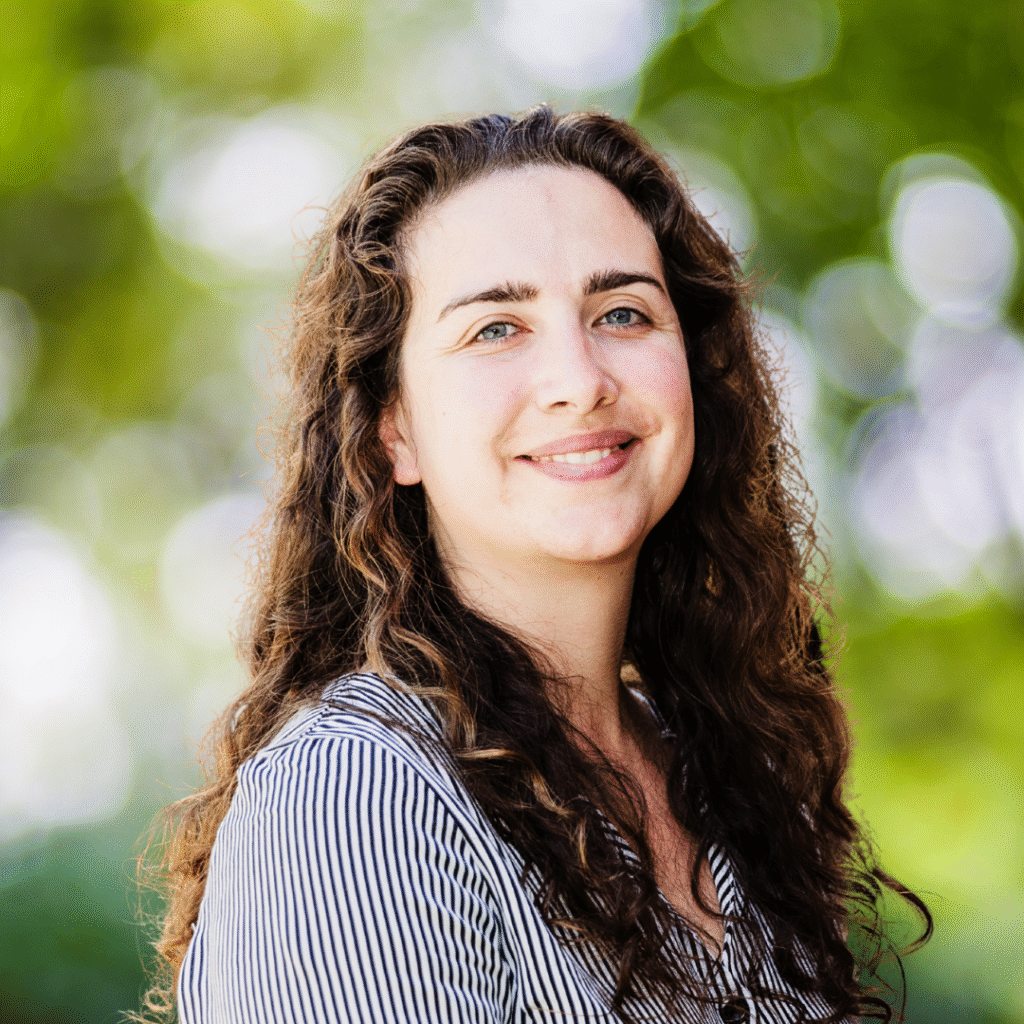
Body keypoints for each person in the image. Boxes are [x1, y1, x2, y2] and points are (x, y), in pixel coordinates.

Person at [142, 107, 929, 1023]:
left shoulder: (722, 781)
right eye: (495, 329)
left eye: (622, 312)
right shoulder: (359, 795)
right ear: (394, 427)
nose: (579, 377)